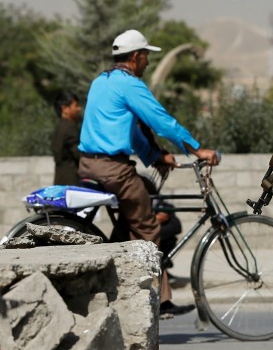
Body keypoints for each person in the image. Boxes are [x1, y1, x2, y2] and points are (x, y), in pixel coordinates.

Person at [78, 29, 219, 317]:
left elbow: (133, 132)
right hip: (112, 167)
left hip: (91, 163)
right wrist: (196, 149)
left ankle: (150, 289)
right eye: (145, 57)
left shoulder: (101, 81)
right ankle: (142, 303)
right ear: (135, 56)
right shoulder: (130, 85)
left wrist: (156, 156)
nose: (148, 63)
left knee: (139, 206)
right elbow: (160, 121)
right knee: (149, 229)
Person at [51, 90, 83, 185]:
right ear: (65, 108)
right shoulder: (70, 128)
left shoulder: (60, 127)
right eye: (75, 106)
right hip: (72, 182)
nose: (79, 109)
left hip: (61, 181)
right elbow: (79, 154)